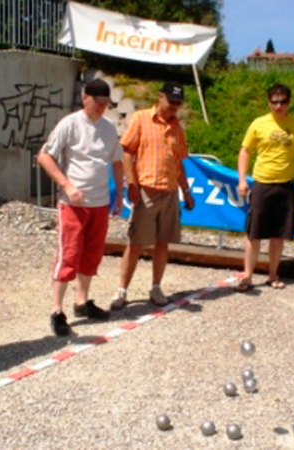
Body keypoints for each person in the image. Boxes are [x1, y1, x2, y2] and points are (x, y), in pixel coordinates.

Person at [37, 78, 124, 337]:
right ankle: (56, 310)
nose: (102, 107)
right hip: (73, 204)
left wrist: (120, 194)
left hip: (100, 203)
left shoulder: (109, 128)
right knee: (68, 254)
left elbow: (117, 161)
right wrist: (67, 185)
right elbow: (45, 156)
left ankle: (82, 302)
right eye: (98, 102)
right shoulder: (70, 124)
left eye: (106, 103)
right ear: (85, 98)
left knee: (92, 254)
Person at [110, 81, 194, 310]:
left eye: (178, 102)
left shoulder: (177, 127)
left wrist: (186, 191)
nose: (174, 105)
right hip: (146, 190)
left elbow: (178, 163)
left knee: (163, 242)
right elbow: (127, 152)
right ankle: (122, 290)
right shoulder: (140, 119)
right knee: (136, 243)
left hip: (169, 192)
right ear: (160, 97)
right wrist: (132, 184)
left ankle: (156, 287)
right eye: (172, 101)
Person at [236, 83, 294, 291]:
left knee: (278, 235)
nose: (279, 106)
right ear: (269, 103)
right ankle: (247, 276)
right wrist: (242, 180)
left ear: (289, 102)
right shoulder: (259, 123)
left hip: (286, 185)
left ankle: (273, 275)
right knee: (254, 234)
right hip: (262, 183)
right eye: (275, 102)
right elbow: (245, 151)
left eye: (283, 102)